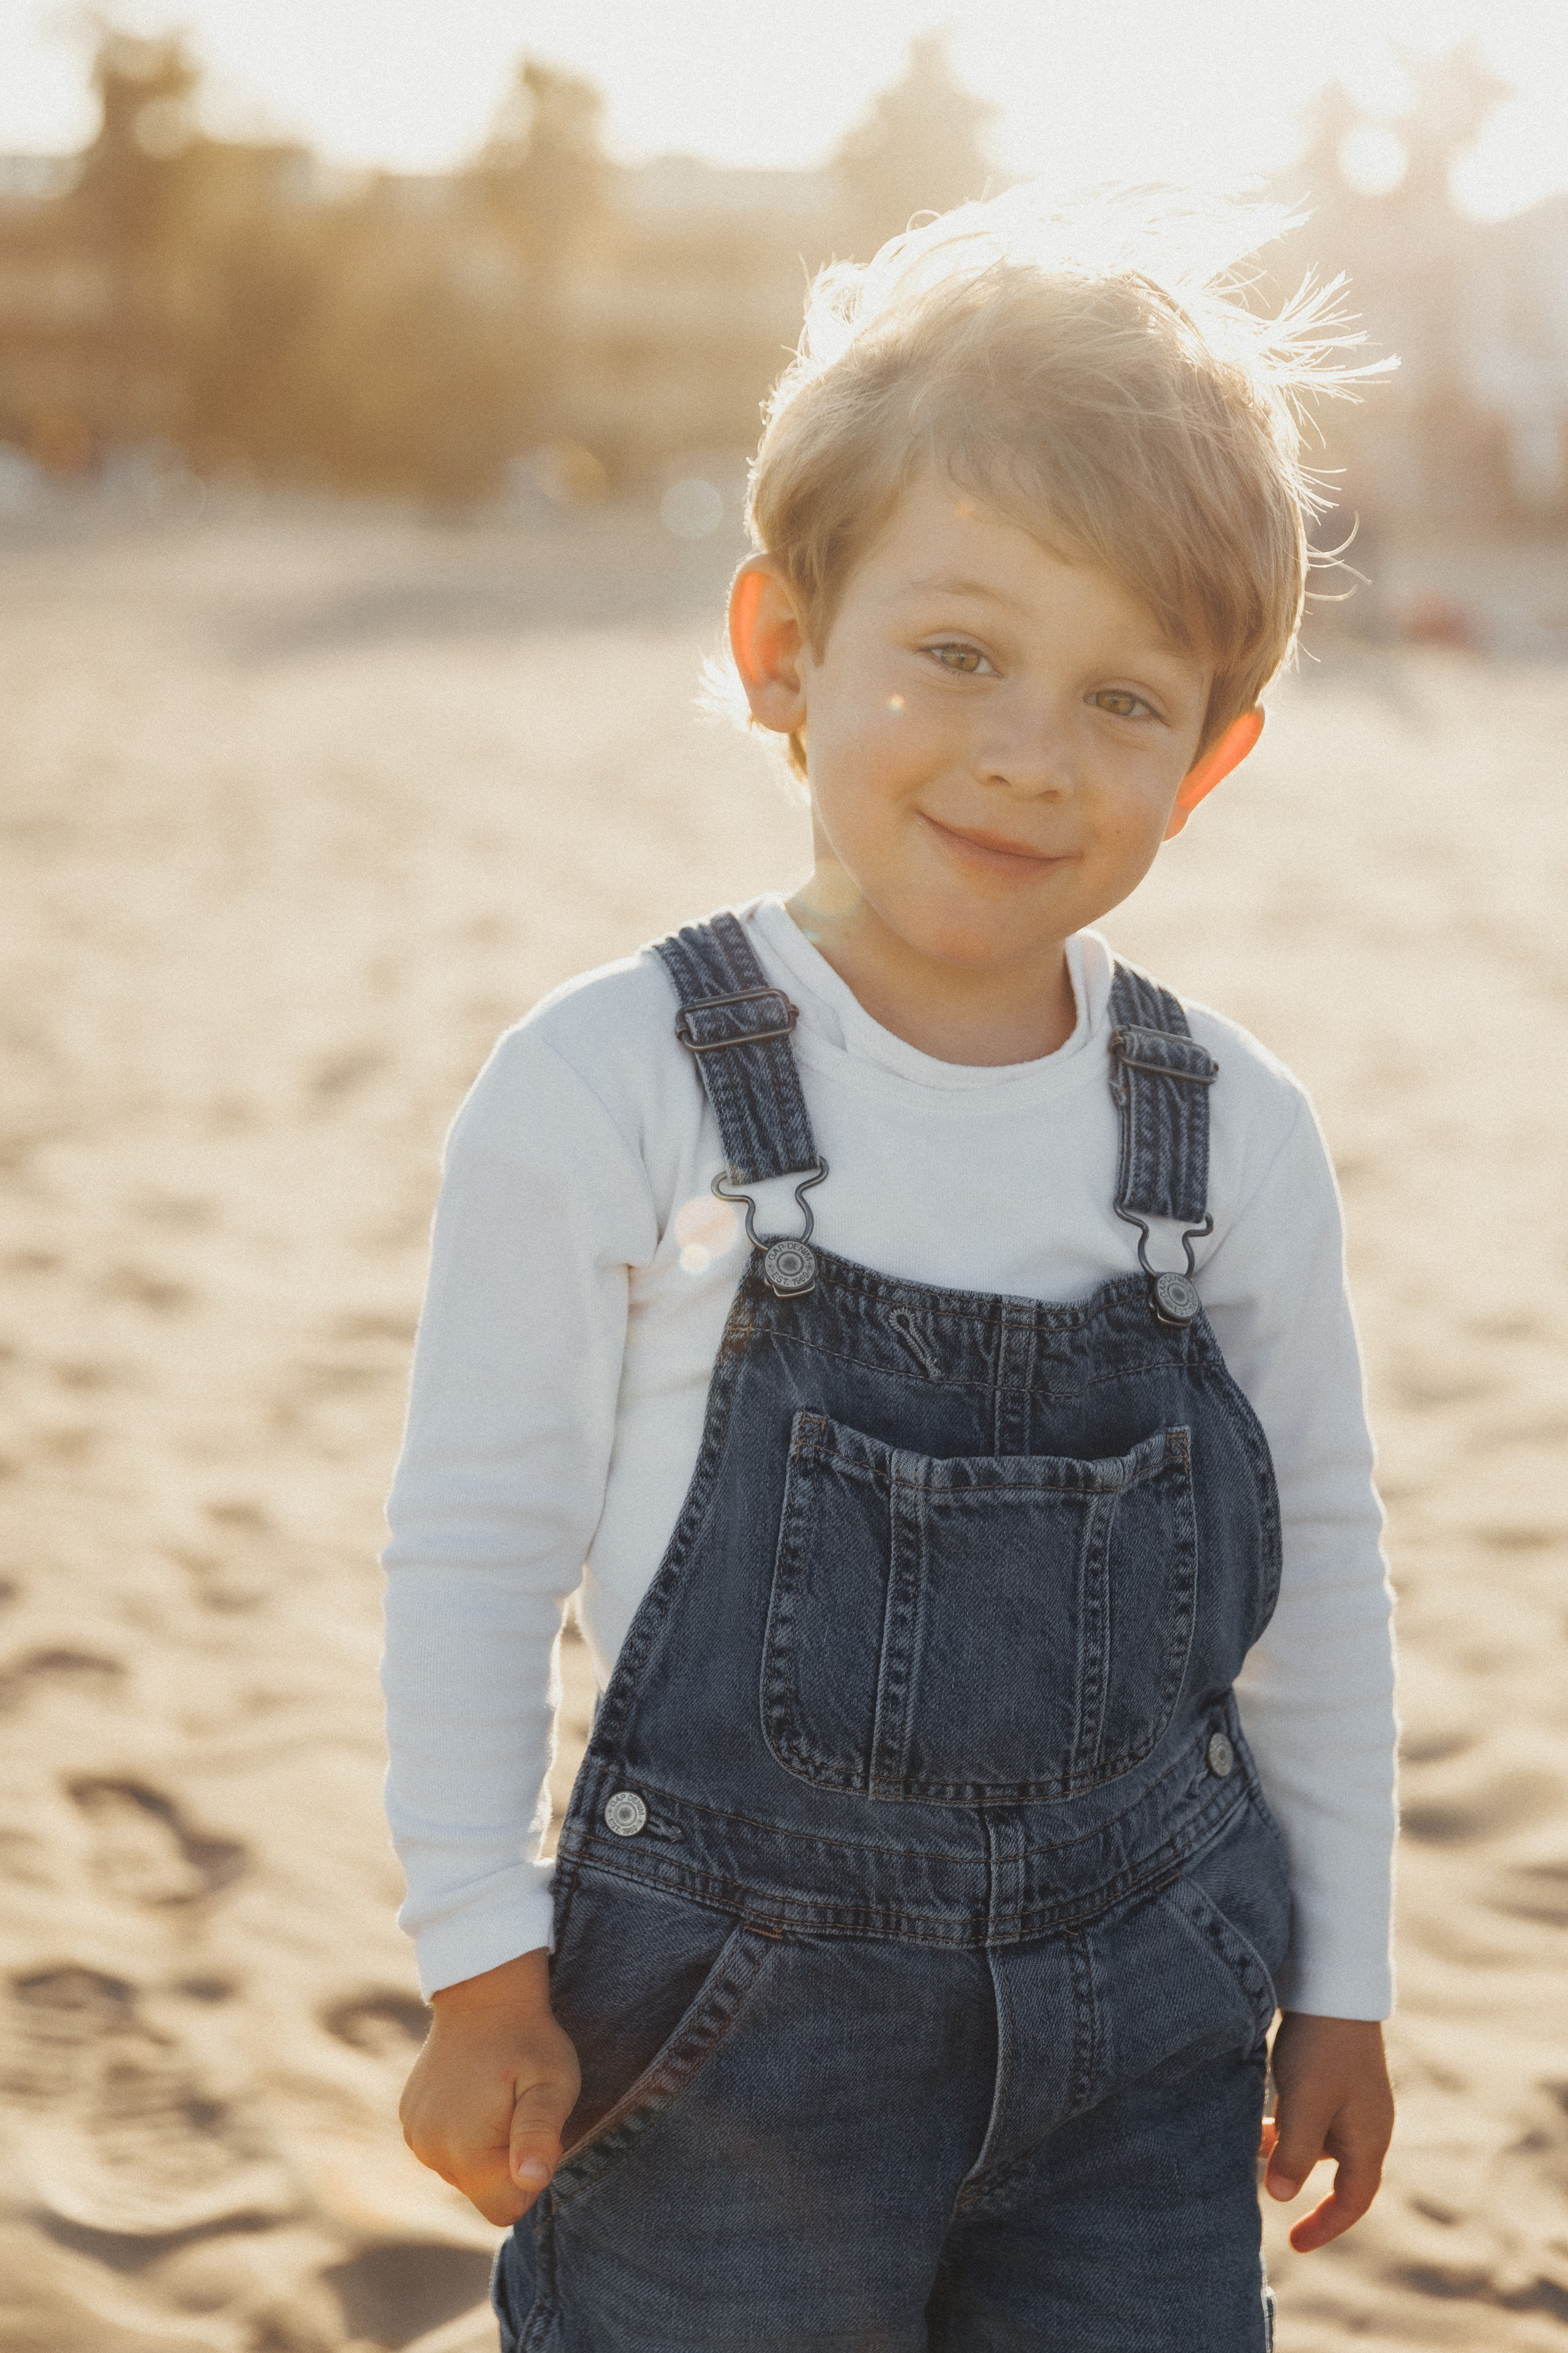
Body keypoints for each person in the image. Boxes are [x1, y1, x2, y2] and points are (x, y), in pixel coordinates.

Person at [385, 188, 1398, 2350]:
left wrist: (1349, 1975)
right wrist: (478, 1960)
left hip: (1150, 2027)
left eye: (1122, 695)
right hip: (725, 2037)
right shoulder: (613, 1082)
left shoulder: (1230, 1133)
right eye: (958, 653)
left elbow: (1320, 1572)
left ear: (1210, 758)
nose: (1029, 751)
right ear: (785, 647)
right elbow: (477, 1542)